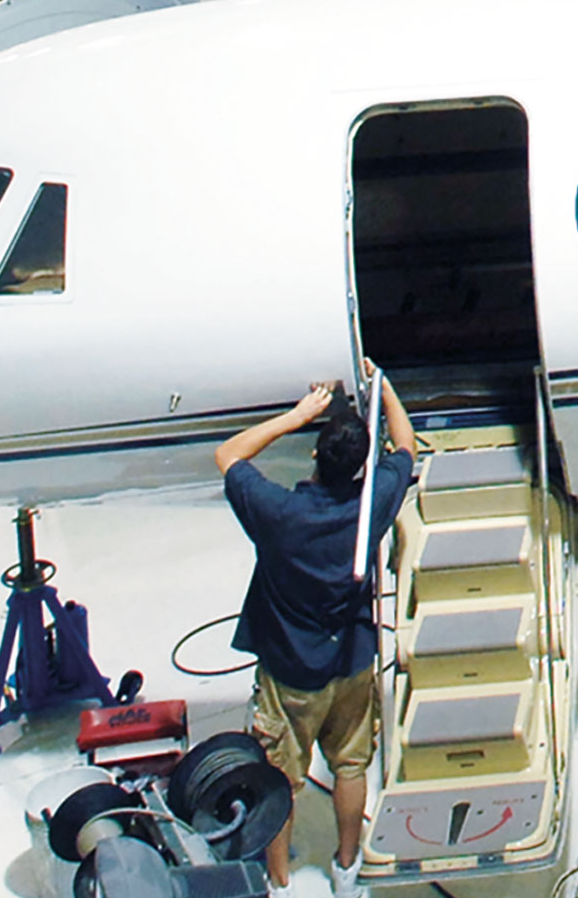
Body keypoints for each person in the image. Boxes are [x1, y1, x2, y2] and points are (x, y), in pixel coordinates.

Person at [215, 364, 417, 898]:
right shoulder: (372, 503)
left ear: (314, 457)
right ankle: (347, 871)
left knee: (280, 782)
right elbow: (407, 449)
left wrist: (295, 416)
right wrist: (387, 390)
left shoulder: (280, 512)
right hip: (351, 664)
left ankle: (280, 884)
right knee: (352, 766)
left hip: (291, 675)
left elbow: (228, 456)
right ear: (360, 468)